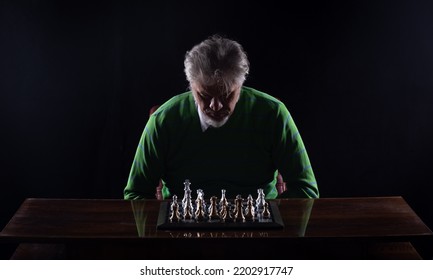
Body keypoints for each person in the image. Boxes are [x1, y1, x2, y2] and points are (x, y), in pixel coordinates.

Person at [124, 34, 319, 200]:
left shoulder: (274, 114)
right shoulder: (162, 121)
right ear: (192, 86)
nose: (215, 106)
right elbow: (135, 194)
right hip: (181, 232)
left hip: (259, 231)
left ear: (240, 86)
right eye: (204, 95)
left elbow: (306, 189)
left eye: (226, 95)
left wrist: (272, 219)